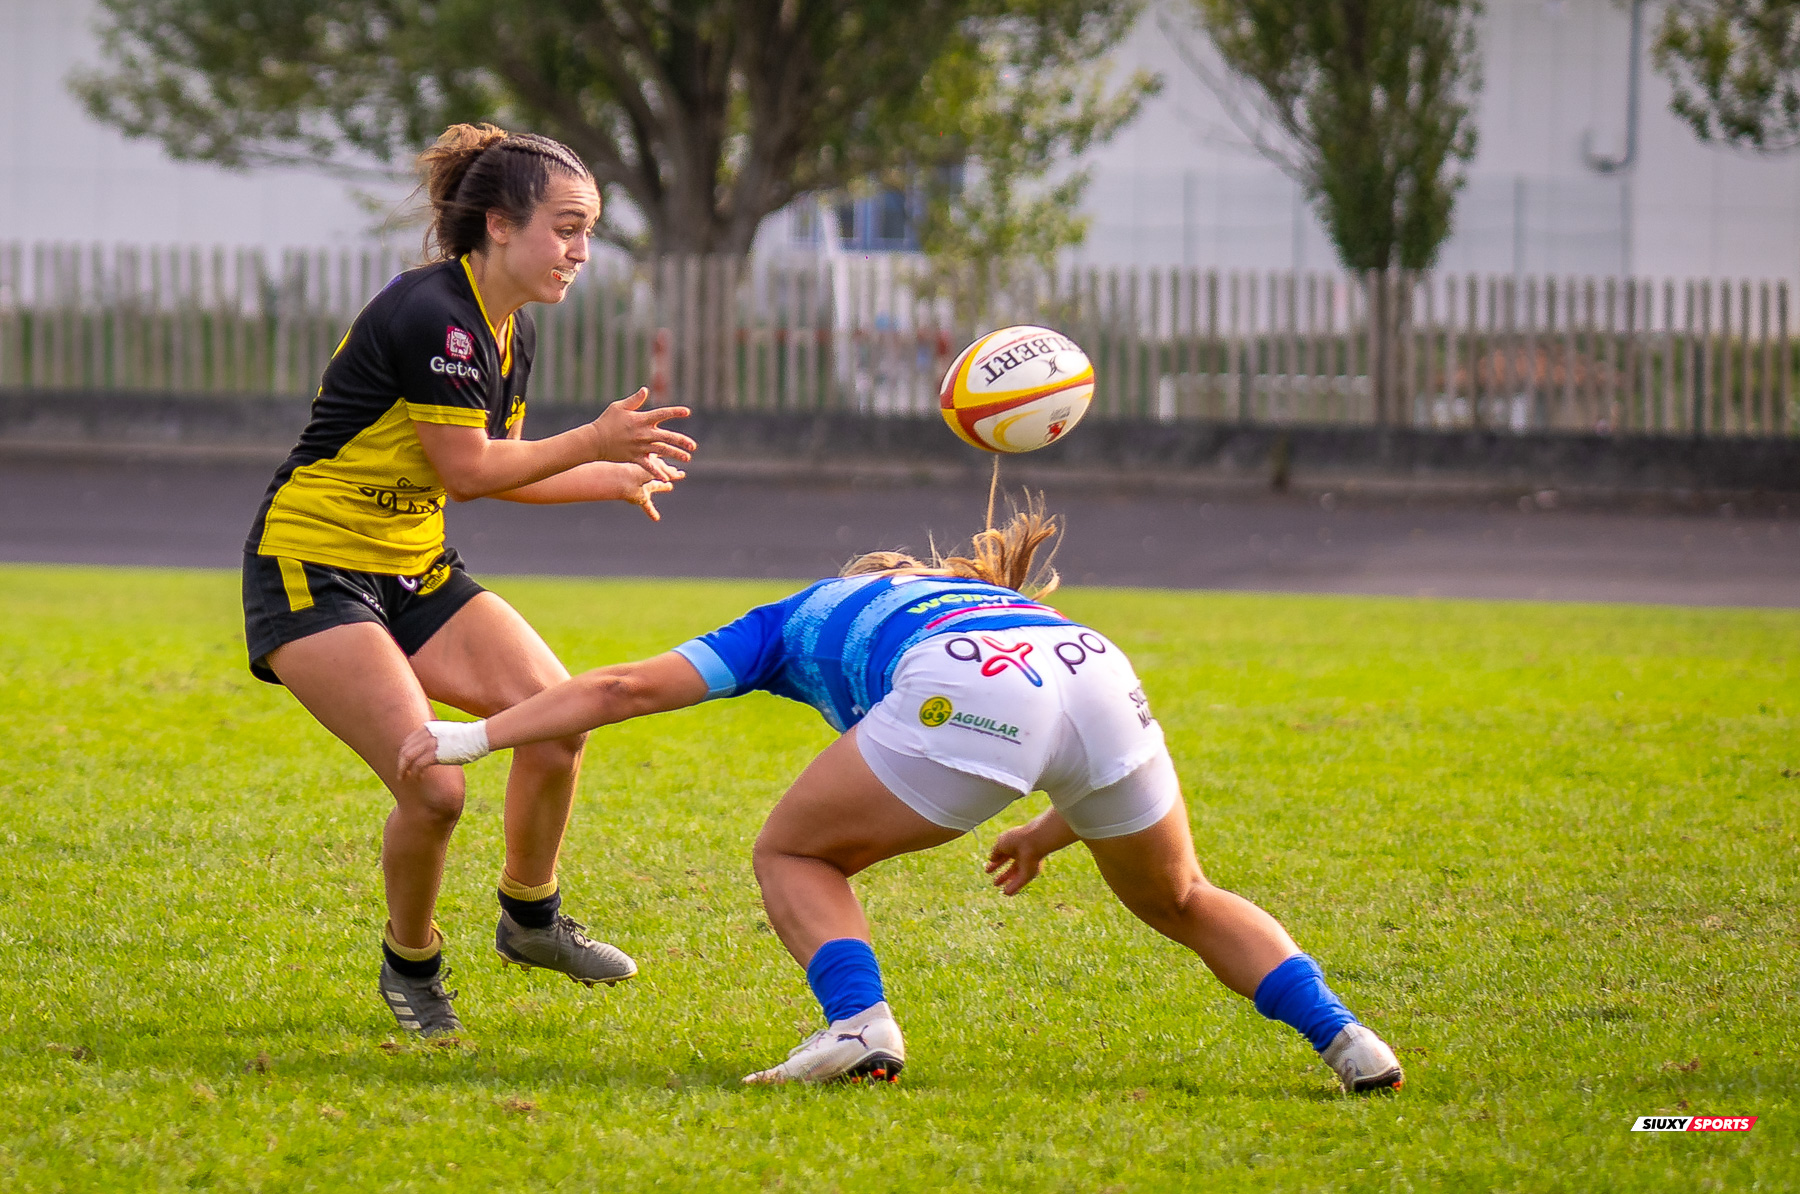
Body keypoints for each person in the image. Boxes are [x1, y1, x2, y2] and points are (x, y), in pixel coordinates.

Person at [396, 502, 1406, 1092]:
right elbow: (1066, 726)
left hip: (972, 691)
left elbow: (619, 689)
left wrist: (474, 734)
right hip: (1092, 662)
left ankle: (859, 1022)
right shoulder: (981, 594)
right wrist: (1055, 833)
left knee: (795, 853)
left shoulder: (793, 617)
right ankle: (1349, 1039)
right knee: (1182, 894)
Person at [242, 123, 696, 1038]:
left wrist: (607, 476)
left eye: (589, 231)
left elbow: (499, 465)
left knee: (559, 716)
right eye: (567, 227)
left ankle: (530, 920)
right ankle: (411, 963)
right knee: (435, 787)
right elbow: (471, 471)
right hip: (315, 568)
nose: (581, 250)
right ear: (498, 224)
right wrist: (596, 442)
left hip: (416, 567)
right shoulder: (432, 315)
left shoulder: (506, 333)